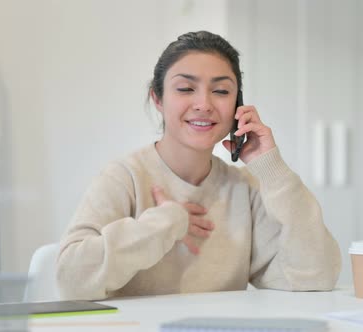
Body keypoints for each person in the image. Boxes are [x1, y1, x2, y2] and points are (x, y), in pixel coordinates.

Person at [56, 31, 341, 300]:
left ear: (237, 106)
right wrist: (167, 222)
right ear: (157, 98)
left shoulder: (244, 188)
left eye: (221, 91)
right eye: (185, 88)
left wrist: (272, 168)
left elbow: (315, 278)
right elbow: (71, 280)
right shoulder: (125, 177)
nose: (204, 104)